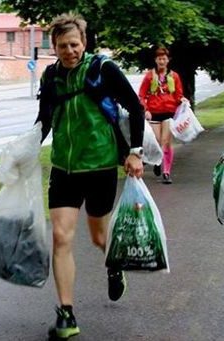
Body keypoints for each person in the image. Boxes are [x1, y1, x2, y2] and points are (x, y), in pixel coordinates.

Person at [34, 13, 145, 339]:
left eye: (75, 44)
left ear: (84, 42)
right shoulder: (51, 76)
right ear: (53, 46)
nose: (69, 50)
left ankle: (113, 266)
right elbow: (44, 119)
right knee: (61, 237)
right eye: (63, 45)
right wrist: (25, 151)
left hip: (99, 166)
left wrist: (134, 152)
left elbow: (135, 107)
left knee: (99, 237)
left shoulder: (102, 69)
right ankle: (66, 314)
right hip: (64, 169)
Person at [139, 46, 186, 184]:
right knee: (157, 141)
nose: (162, 61)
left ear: (168, 60)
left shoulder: (174, 76)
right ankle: (157, 162)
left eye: (164, 59)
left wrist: (182, 100)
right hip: (154, 113)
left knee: (166, 142)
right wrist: (145, 109)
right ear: (155, 60)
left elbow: (178, 94)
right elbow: (141, 95)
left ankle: (166, 172)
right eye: (159, 59)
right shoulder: (149, 76)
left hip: (169, 113)